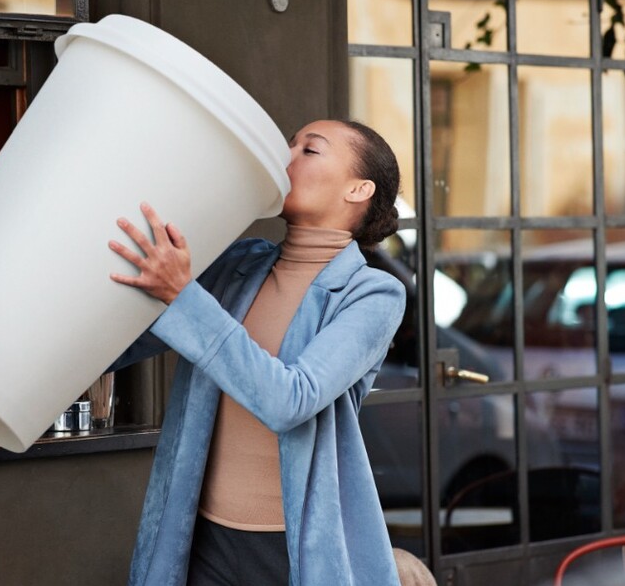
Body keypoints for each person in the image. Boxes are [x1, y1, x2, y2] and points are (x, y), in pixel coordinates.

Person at [108, 119, 406, 585]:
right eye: (290, 143)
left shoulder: (372, 294)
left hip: (291, 550)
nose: (287, 156)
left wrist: (184, 297)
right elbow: (124, 339)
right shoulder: (239, 264)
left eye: (310, 150)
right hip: (200, 539)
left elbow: (290, 400)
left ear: (358, 189)